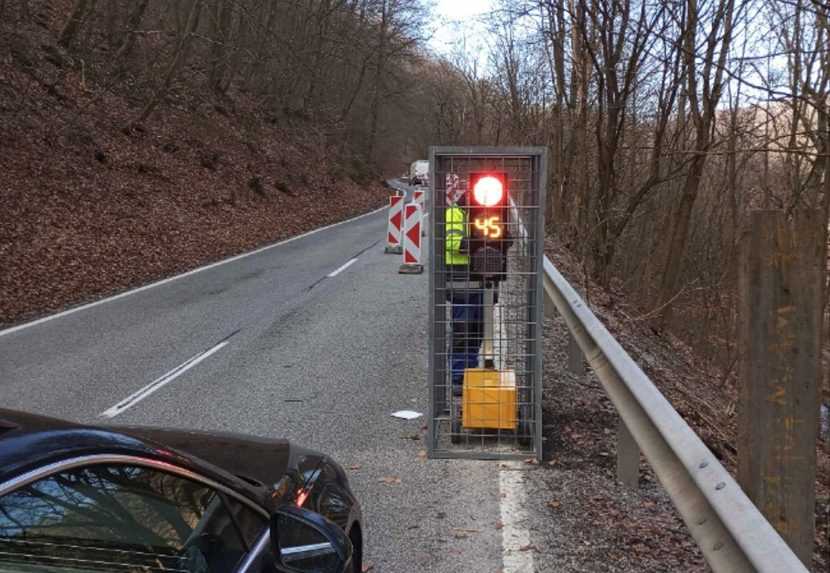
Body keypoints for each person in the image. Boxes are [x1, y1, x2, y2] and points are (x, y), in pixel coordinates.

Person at [444, 176, 483, 397]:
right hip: (461, 281)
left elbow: (504, 240)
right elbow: (452, 244)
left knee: (478, 328)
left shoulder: (491, 214)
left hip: (486, 280)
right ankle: (459, 374)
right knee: (463, 328)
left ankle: (471, 368)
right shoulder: (454, 214)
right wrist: (482, 243)